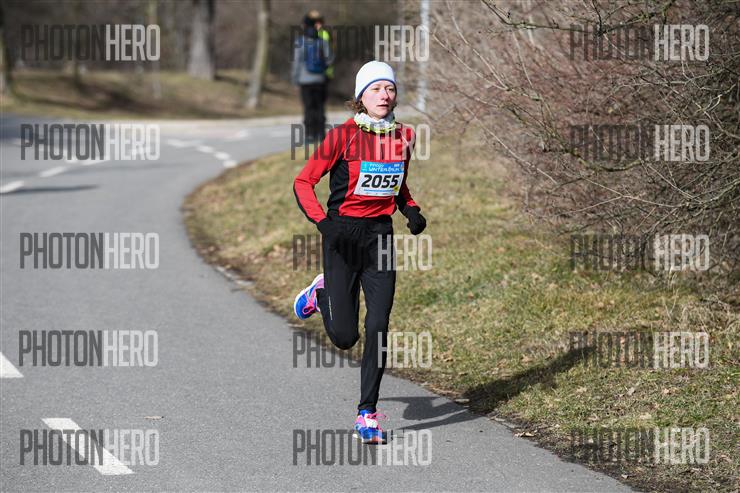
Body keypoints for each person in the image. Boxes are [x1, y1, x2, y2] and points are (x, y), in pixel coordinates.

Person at [292, 61, 427, 444]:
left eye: (390, 88)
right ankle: (320, 294)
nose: (384, 95)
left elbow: (397, 182)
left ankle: (367, 413)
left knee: (378, 326)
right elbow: (303, 182)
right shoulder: (342, 136)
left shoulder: (405, 135)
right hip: (342, 236)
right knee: (345, 337)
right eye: (376, 89)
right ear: (361, 97)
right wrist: (324, 223)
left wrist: (410, 209)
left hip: (379, 238)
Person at [291, 11, 333, 143]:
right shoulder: (322, 41)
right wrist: (323, 69)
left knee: (308, 108)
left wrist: (295, 79)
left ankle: (309, 135)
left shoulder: (300, 42)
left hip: (305, 81)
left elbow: (296, 63)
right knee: (320, 107)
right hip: (320, 80)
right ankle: (321, 135)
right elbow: (330, 59)